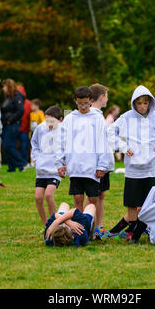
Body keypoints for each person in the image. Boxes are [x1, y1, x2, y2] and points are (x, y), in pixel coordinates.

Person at [104, 85, 155, 241]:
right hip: (133, 169)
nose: (142, 106)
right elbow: (109, 132)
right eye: (139, 103)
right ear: (134, 103)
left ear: (150, 103)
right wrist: (122, 147)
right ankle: (132, 233)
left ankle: (148, 230)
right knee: (133, 204)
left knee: (151, 202)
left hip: (151, 169)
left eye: (145, 103)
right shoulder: (126, 117)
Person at [56, 86, 111, 215]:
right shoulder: (70, 118)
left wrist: (102, 165)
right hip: (75, 166)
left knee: (93, 198)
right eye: (80, 103)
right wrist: (60, 163)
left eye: (86, 103)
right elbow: (62, 142)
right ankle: (79, 228)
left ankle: (92, 227)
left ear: (91, 101)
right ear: (75, 101)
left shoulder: (97, 118)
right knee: (77, 198)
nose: (83, 106)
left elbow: (103, 142)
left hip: (91, 167)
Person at [84, 83, 115, 235]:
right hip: (96, 164)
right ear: (102, 97)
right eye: (106, 96)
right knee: (92, 196)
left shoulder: (98, 115)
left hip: (100, 163)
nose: (107, 100)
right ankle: (88, 225)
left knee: (100, 195)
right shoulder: (94, 116)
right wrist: (103, 164)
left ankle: (99, 226)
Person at [31, 105, 63, 227]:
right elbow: (34, 143)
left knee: (49, 195)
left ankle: (55, 224)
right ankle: (46, 225)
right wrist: (36, 158)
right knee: (38, 198)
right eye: (46, 120)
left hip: (55, 171)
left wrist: (63, 164)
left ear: (60, 120)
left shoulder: (63, 131)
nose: (48, 124)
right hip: (42, 170)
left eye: (52, 121)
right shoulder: (40, 128)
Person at [0, 79, 24, 172]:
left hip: (13, 124)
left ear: (9, 87)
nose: (3, 89)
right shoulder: (8, 97)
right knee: (8, 146)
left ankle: (22, 163)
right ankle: (12, 167)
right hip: (6, 124)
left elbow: (20, 110)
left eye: (4, 86)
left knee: (7, 145)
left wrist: (10, 120)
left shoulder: (17, 96)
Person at [18, 85, 31, 169]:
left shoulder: (28, 103)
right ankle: (19, 163)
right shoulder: (14, 101)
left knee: (24, 148)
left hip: (25, 129)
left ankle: (24, 163)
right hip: (15, 129)